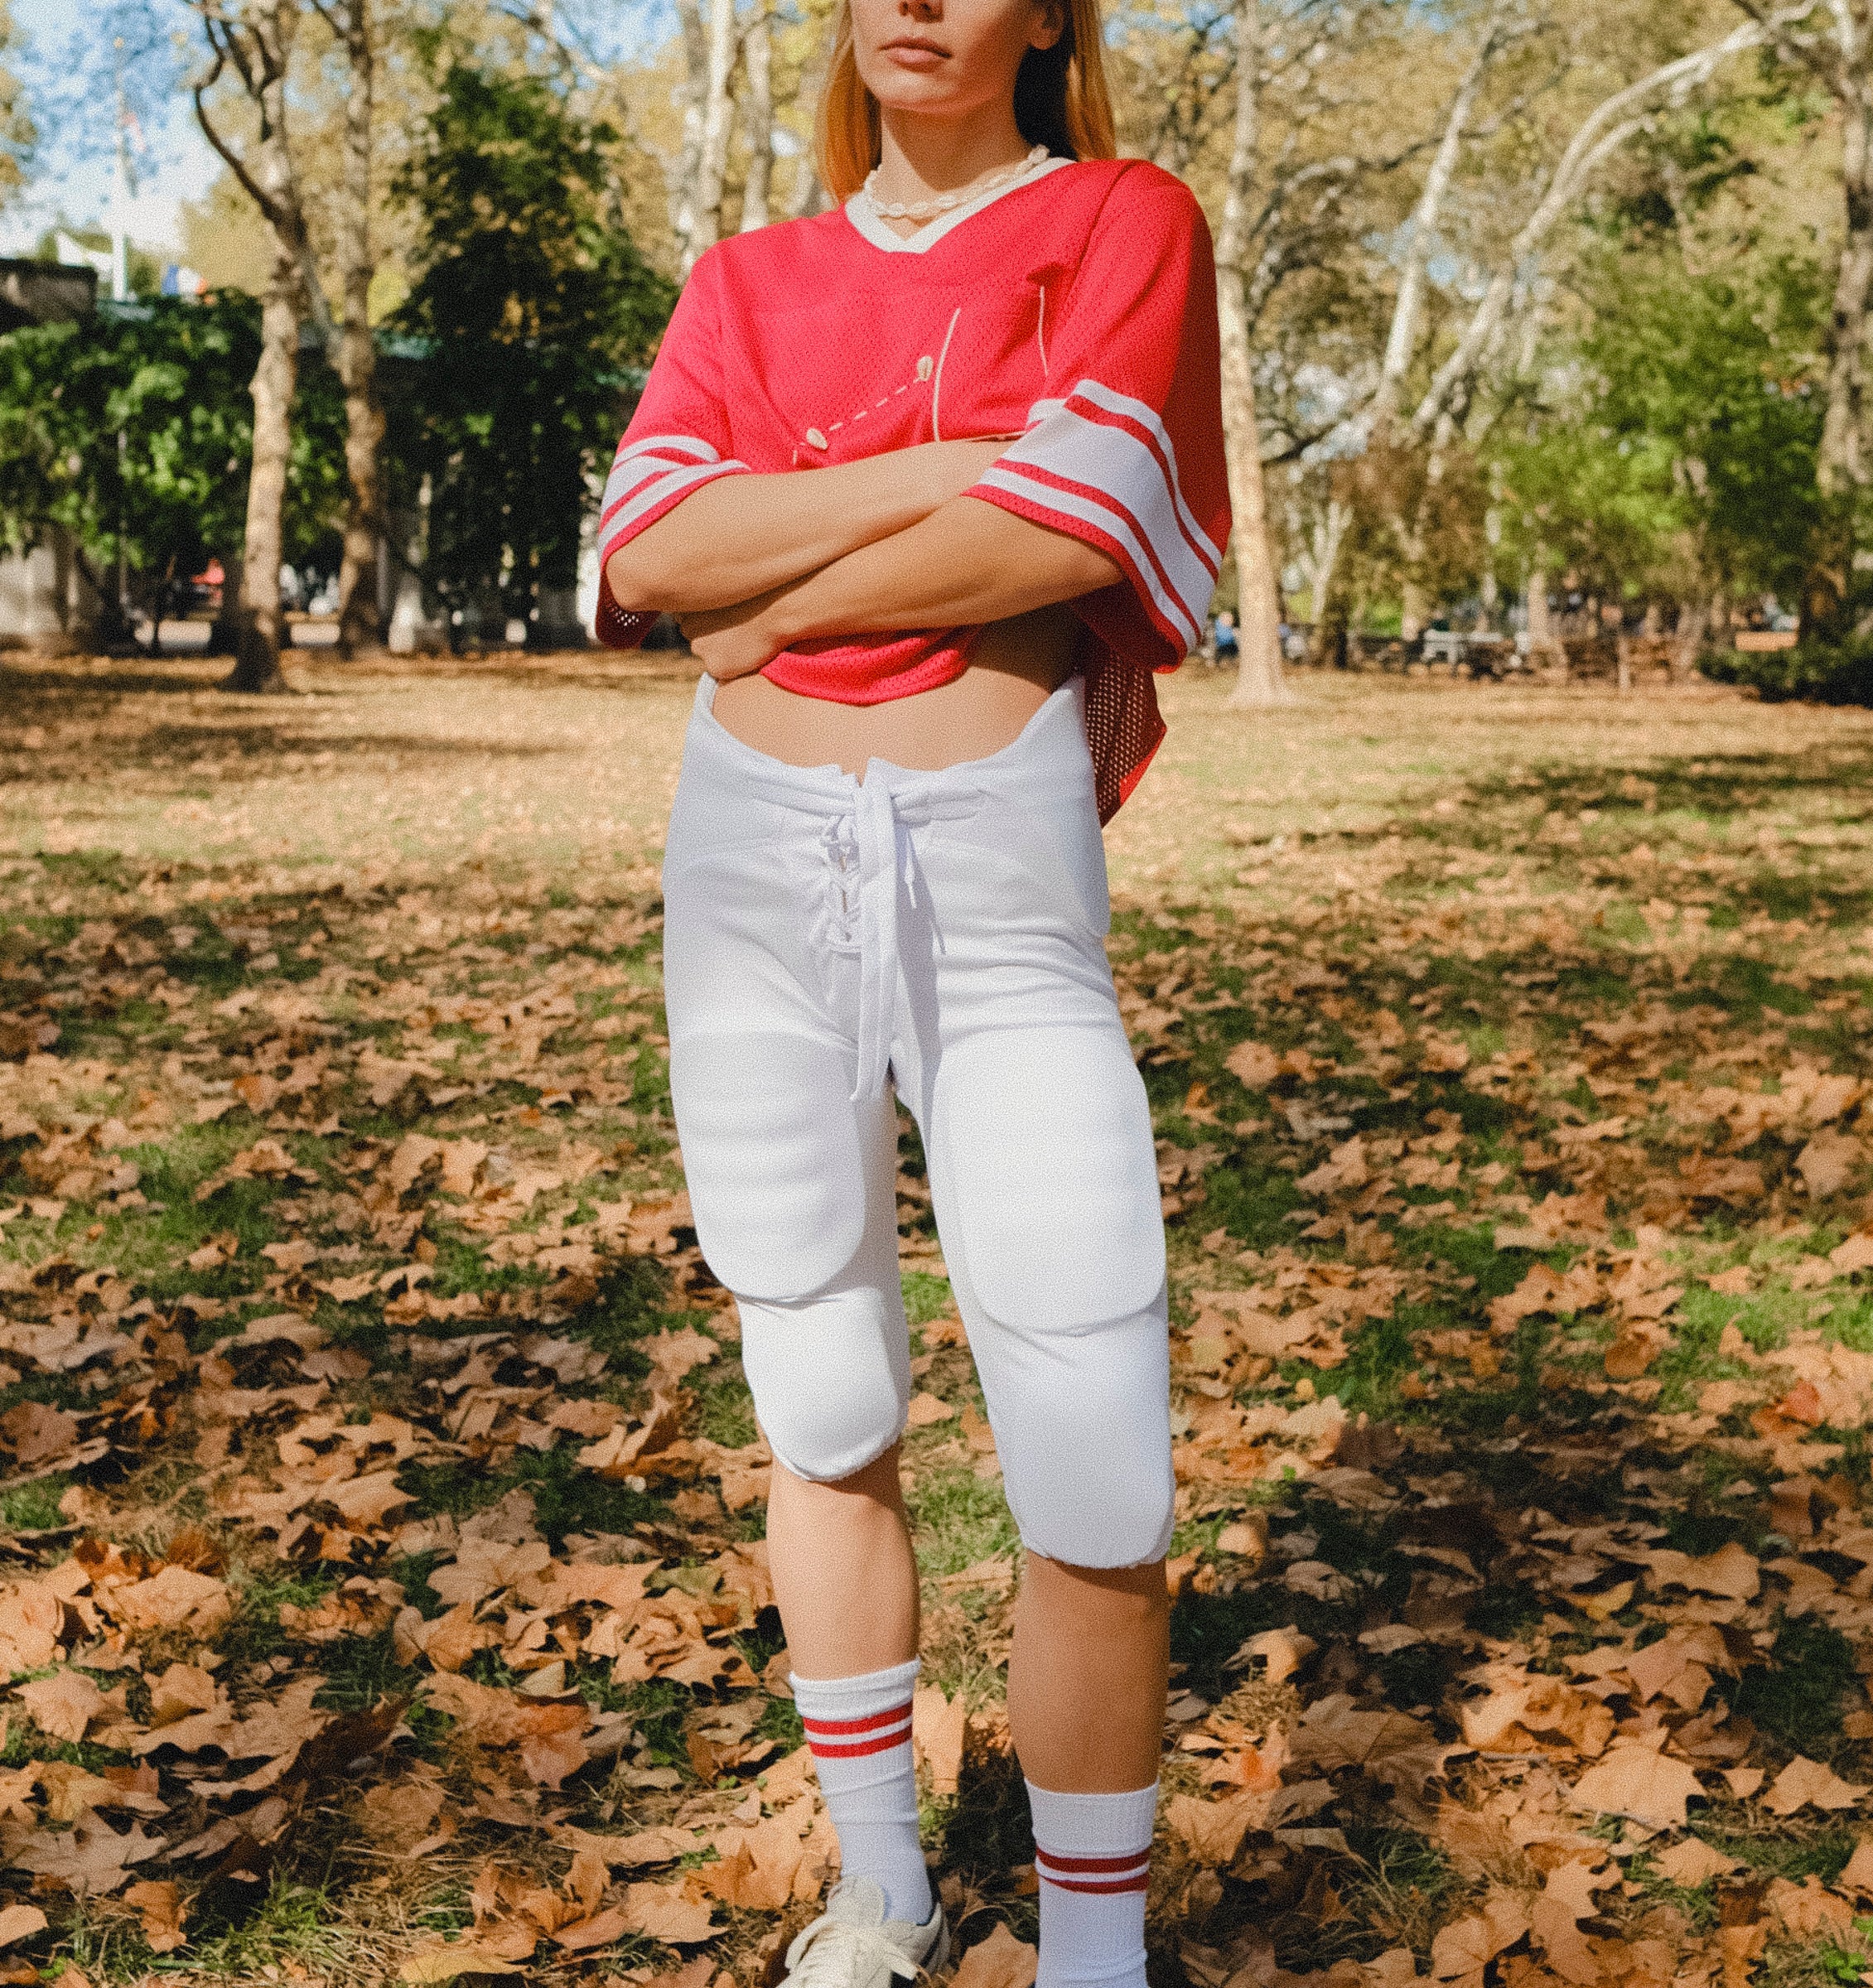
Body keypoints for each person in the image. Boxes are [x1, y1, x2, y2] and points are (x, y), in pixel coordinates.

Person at [594, 0, 1229, 1978]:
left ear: (1053, 12)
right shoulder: (748, 274)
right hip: (750, 865)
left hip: (995, 860)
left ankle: (1098, 1953)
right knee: (824, 1390)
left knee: (1095, 1433)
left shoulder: (1126, 219)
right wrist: (954, 469)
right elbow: (637, 544)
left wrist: (764, 596)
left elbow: (1083, 517)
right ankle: (883, 1886)